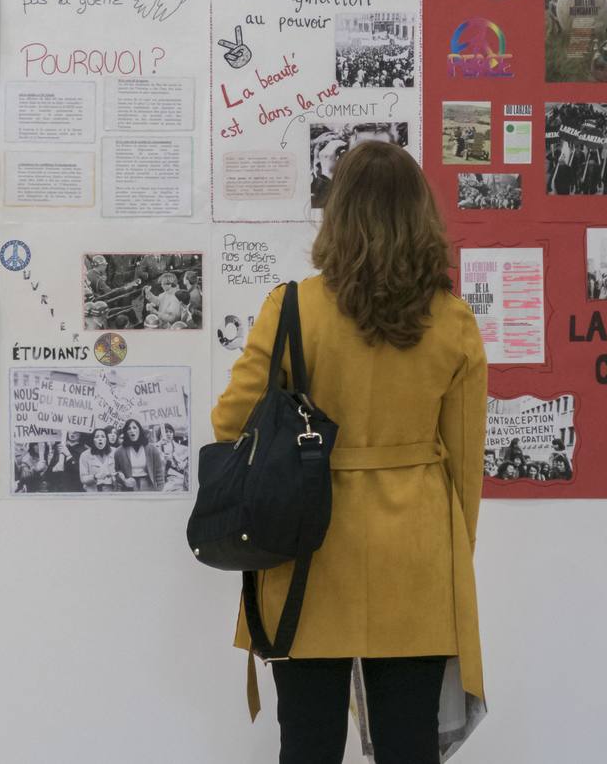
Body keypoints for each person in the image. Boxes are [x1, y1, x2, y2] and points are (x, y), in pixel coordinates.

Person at [209, 141, 488, 763]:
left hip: (305, 549)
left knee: (307, 745)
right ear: (421, 217)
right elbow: (467, 468)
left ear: (336, 215)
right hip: (415, 557)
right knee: (409, 748)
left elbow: (230, 421)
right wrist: (453, 556)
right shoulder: (454, 322)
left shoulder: (292, 308)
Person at [113, 418, 165, 491]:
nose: (132, 430)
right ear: (126, 432)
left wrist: (160, 491)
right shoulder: (119, 451)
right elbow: (116, 472)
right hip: (129, 488)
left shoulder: (152, 449)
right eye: (129, 428)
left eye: (134, 427)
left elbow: (159, 473)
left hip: (148, 486)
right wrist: (123, 480)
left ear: (140, 430)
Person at [79, 427, 117, 492]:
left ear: (106, 439)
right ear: (92, 440)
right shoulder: (85, 455)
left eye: (103, 436)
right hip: (93, 492)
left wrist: (116, 475)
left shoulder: (115, 452)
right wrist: (95, 477)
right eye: (97, 437)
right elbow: (83, 479)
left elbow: (120, 471)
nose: (100, 439)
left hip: (111, 491)